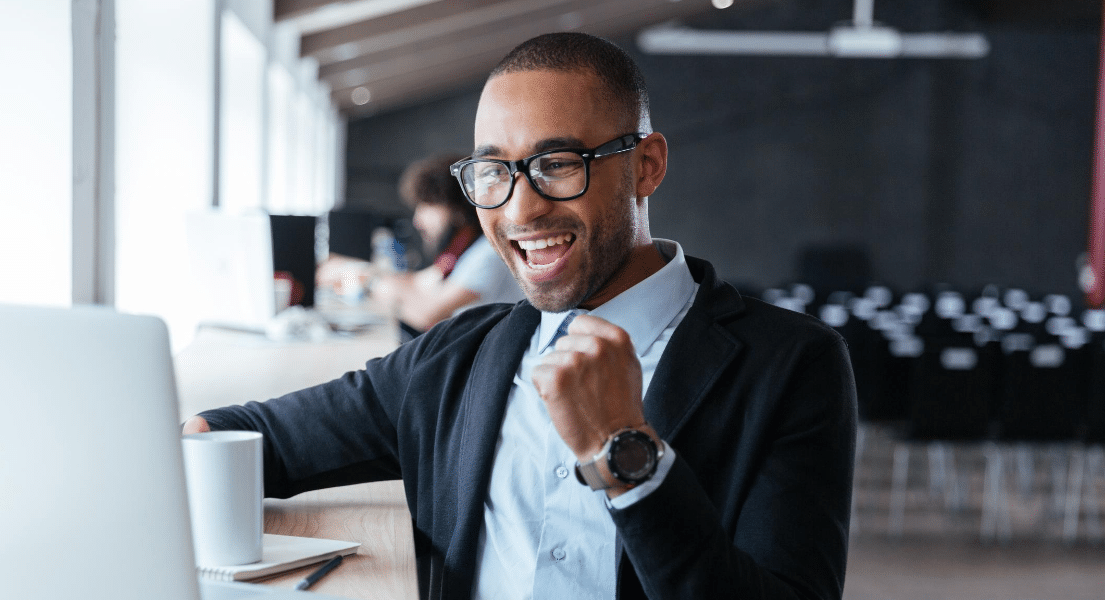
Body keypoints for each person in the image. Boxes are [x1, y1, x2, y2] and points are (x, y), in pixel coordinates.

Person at [186, 32, 856, 600]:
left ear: (646, 165)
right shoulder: (457, 358)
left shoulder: (790, 364)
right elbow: (256, 439)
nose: (519, 210)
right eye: (493, 171)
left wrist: (626, 452)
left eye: (557, 164)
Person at [317, 153, 523, 336]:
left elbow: (428, 314)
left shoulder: (487, 253)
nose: (418, 220)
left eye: (427, 205)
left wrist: (366, 281)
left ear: (456, 207)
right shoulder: (461, 248)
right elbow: (420, 282)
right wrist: (355, 269)